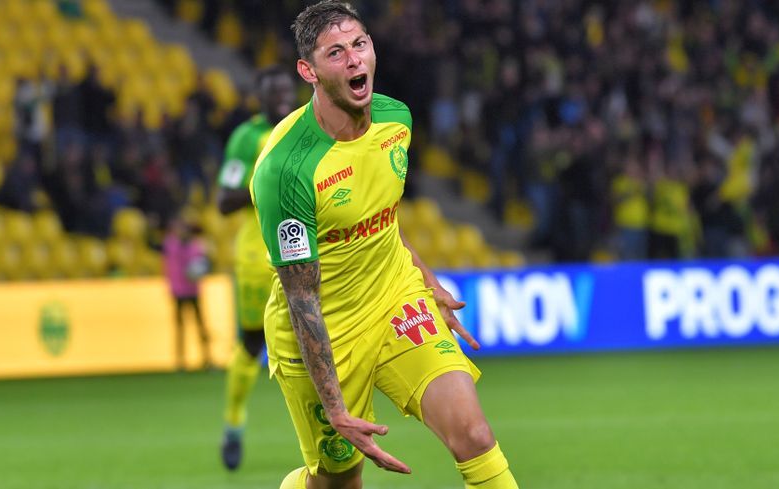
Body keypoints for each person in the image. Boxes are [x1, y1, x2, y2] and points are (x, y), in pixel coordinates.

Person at [250, 2, 519, 488]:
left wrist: (428, 281)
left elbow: (382, 218)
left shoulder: (397, 120)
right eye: (336, 52)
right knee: (338, 482)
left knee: (475, 435)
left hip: (395, 298)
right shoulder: (286, 170)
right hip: (325, 329)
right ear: (308, 71)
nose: (354, 59)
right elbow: (301, 296)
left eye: (360, 44)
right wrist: (336, 408)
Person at [216, 65, 298, 471]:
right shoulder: (247, 138)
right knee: (252, 345)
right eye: (273, 93)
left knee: (316, 339)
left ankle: (329, 429)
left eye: (286, 91)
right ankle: (233, 424)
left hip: (300, 250)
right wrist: (262, 184)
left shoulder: (306, 129)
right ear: (260, 97)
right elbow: (223, 201)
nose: (282, 99)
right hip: (255, 256)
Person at [163, 216, 213, 371]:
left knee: (199, 325)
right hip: (179, 291)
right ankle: (180, 361)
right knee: (181, 327)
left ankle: (206, 358)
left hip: (192, 291)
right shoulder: (172, 245)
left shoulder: (193, 246)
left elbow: (205, 264)